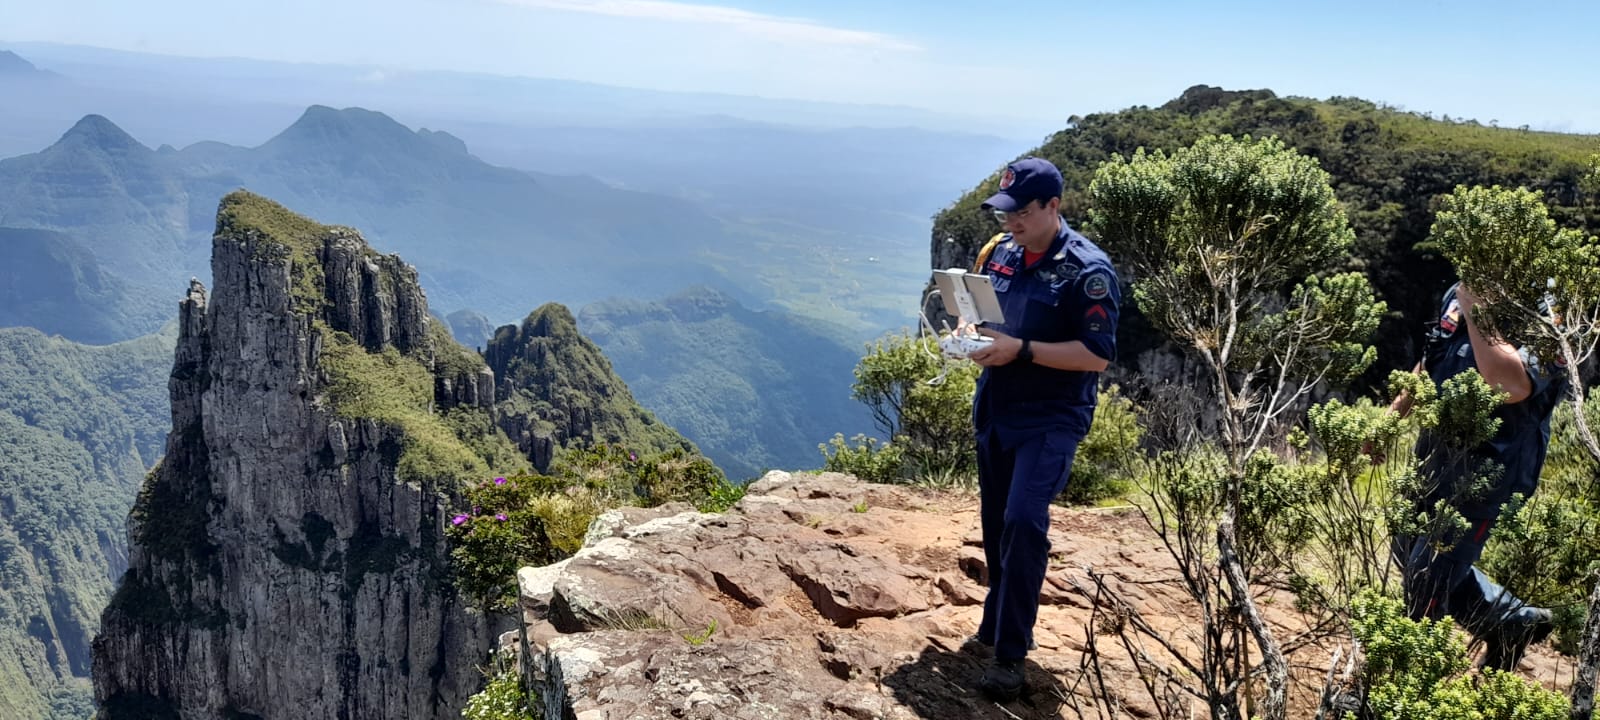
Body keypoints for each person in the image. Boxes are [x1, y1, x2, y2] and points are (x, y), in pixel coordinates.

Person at [961, 157, 1121, 701]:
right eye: (1006, 212)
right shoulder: (1000, 253)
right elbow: (988, 318)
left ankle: (1010, 656)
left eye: (1023, 212)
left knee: (1024, 522)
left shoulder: (1088, 271)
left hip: (1051, 416)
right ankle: (996, 619)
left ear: (1054, 207)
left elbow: (1096, 356)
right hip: (997, 406)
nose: (1012, 222)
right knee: (994, 522)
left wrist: (1020, 350)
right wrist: (972, 334)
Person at [1384, 281, 1566, 671]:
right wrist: (1389, 418)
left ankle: (1404, 690)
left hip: (1489, 467)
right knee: (1406, 548)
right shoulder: (1462, 286)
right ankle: (1509, 622)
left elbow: (1511, 383)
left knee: (1426, 578)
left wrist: (1476, 308)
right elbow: (1436, 354)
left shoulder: (1547, 303)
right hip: (1437, 454)